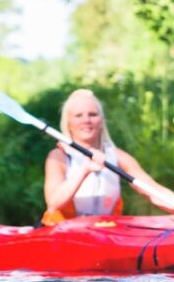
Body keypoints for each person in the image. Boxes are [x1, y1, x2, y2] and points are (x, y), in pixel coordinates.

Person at [42, 88, 174, 225]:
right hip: (66, 233)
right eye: (78, 115)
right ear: (68, 122)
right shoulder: (58, 157)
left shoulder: (118, 156)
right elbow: (53, 204)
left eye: (92, 114)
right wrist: (84, 169)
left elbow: (152, 190)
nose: (86, 120)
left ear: (101, 121)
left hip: (104, 232)